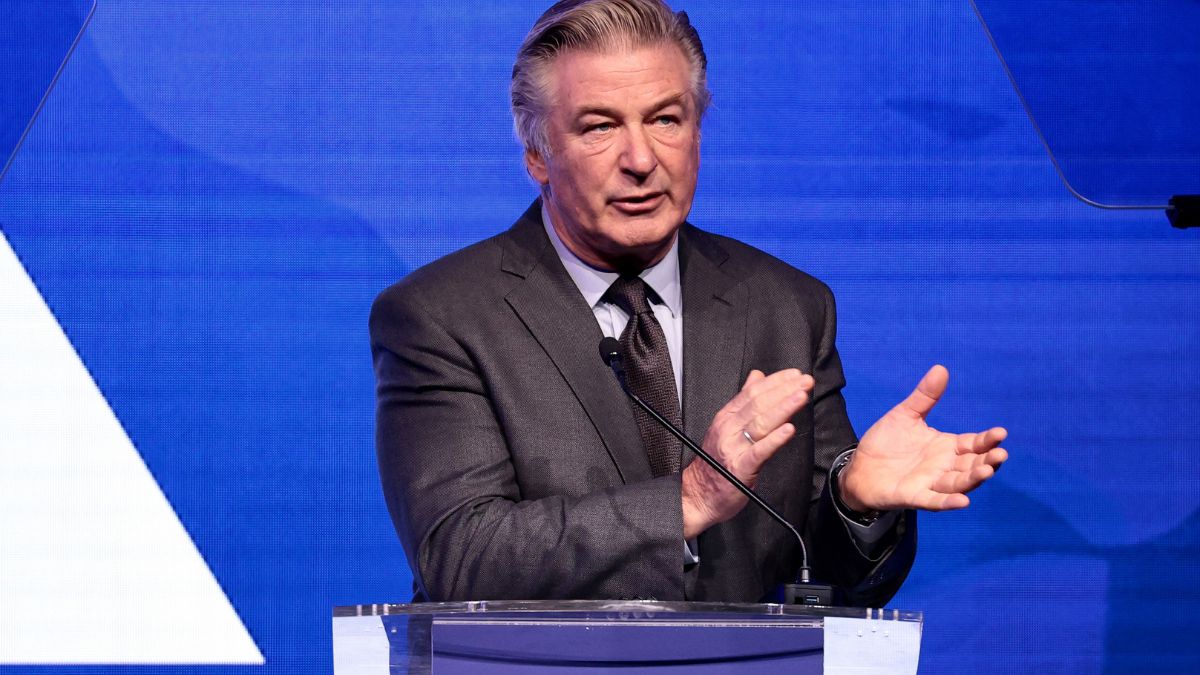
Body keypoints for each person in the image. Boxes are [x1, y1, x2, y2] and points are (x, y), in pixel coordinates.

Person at [370, 0, 1008, 606]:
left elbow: (823, 584)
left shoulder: (787, 307)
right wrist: (691, 497)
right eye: (599, 127)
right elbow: (462, 556)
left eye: (665, 119)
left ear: (698, 130)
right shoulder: (443, 316)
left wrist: (856, 502)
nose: (642, 159)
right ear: (538, 153)